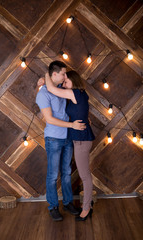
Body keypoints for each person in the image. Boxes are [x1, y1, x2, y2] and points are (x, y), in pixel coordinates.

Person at [36, 61, 86, 221]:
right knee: (52, 175)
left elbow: (78, 106)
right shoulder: (42, 94)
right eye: (63, 74)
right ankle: (53, 207)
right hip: (53, 139)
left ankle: (68, 203)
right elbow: (49, 119)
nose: (66, 76)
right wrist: (72, 124)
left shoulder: (62, 89)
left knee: (66, 173)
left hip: (67, 137)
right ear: (54, 74)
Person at [45, 70, 95, 221]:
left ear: (73, 80)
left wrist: (46, 75)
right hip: (79, 139)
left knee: (85, 177)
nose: (64, 84)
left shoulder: (74, 93)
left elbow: (52, 89)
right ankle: (88, 206)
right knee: (84, 175)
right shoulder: (80, 93)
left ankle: (86, 209)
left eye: (66, 81)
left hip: (81, 140)